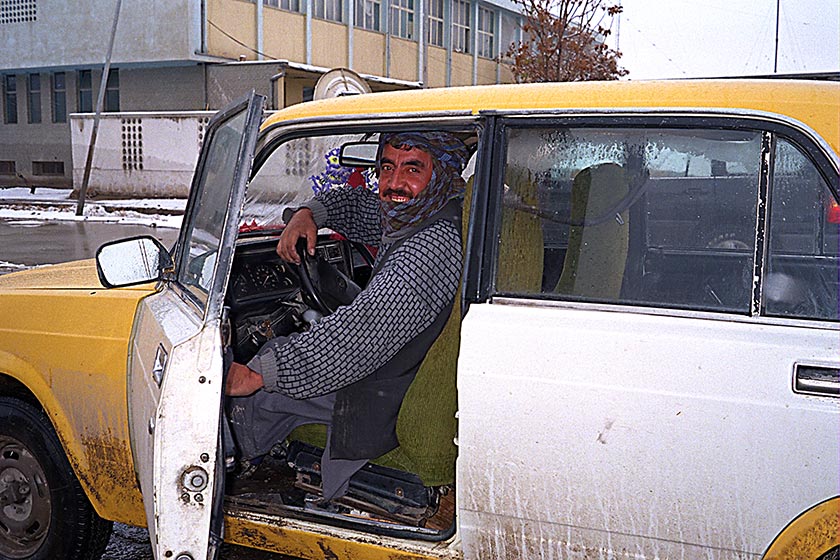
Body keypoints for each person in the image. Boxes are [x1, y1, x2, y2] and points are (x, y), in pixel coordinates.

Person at [225, 131, 469, 504]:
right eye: (387, 167)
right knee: (280, 357)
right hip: (396, 367)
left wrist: (257, 374)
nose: (393, 183)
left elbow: (360, 335)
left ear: (441, 175)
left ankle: (224, 471)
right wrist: (309, 214)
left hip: (384, 390)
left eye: (412, 169)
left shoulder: (426, 248)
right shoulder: (423, 214)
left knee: (262, 390)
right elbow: (360, 207)